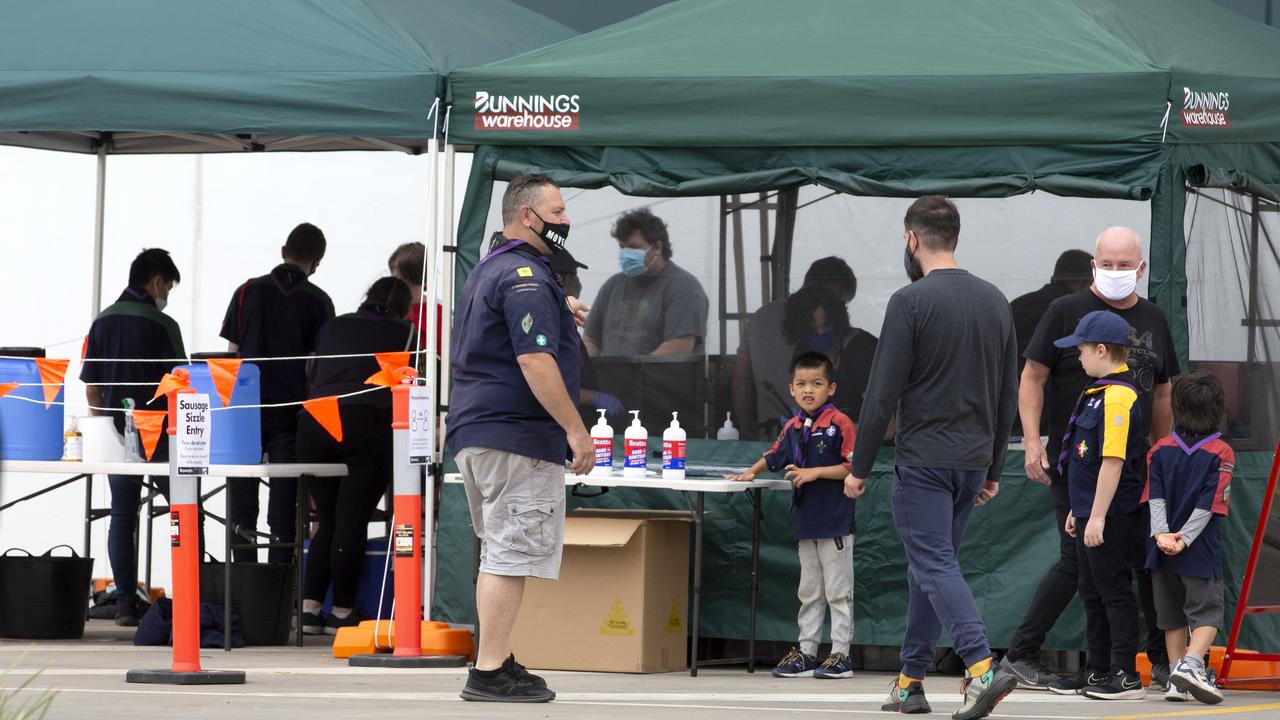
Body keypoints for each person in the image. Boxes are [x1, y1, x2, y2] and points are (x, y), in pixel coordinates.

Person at [843, 196, 1019, 720]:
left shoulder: (909, 301)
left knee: (935, 565)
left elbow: (881, 395)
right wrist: (992, 468)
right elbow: (1006, 392)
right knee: (930, 568)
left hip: (923, 460)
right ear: (955, 238)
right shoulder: (995, 301)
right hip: (970, 463)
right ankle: (909, 679)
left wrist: (858, 467)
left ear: (912, 240)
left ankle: (982, 668)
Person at [1002, 227, 1179, 692]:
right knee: (1079, 561)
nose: (1116, 272)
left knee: (1144, 561)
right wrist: (1034, 441)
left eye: (1126, 265)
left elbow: (1163, 392)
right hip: (1076, 463)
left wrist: (1162, 452)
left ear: (1141, 268)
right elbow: (1031, 377)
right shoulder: (1065, 310)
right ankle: (1024, 652)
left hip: (1135, 469)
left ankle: (1151, 661)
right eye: (1108, 263)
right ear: (1094, 265)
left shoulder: (1155, 317)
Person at [447, 174, 590, 703]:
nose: (565, 220)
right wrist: (576, 430)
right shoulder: (526, 274)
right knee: (511, 552)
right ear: (527, 216)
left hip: (480, 430)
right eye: (556, 211)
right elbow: (533, 358)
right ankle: (488, 671)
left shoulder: (492, 268)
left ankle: (498, 659)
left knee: (500, 550)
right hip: (517, 435)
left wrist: (561, 306)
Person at [726, 352, 857, 680]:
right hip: (806, 522)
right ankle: (807, 651)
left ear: (831, 388)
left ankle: (841, 653)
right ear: (791, 389)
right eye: (801, 384)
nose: (808, 390)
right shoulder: (794, 425)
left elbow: (853, 468)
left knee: (838, 590)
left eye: (817, 383)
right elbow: (774, 455)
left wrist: (814, 473)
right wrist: (749, 473)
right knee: (809, 589)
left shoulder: (840, 423)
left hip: (835, 522)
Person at [296, 277, 414, 635]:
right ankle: (343, 613)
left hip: (314, 422)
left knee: (327, 520)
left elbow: (313, 372)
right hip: (365, 421)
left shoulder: (333, 325)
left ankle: (310, 610)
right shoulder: (407, 334)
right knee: (351, 520)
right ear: (403, 309)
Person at [81, 248, 185, 627]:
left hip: (115, 434)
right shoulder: (163, 324)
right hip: (162, 435)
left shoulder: (101, 322)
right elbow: (181, 386)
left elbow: (92, 389)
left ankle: (126, 603)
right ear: (157, 282)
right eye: (168, 288)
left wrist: (105, 427)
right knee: (185, 513)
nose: (167, 296)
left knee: (122, 516)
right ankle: (191, 597)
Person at [220, 222, 333, 564]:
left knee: (241, 507)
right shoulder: (319, 302)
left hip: (244, 416)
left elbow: (230, 355)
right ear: (317, 262)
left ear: (284, 251)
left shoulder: (246, 292)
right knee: (284, 507)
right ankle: (279, 591)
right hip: (291, 415)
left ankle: (242, 587)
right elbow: (318, 367)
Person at [1053, 310, 1147, 701]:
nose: (1078, 357)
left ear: (1102, 350)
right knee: (1091, 591)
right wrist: (1079, 508)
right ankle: (1098, 669)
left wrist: (1097, 515)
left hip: (1111, 515)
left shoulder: (1120, 396)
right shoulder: (1098, 392)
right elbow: (1085, 460)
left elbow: (1112, 461)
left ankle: (1125, 674)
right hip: (1090, 510)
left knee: (1114, 591)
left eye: (1081, 350)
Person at [1144, 371, 1233, 705]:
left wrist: (1161, 535)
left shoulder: (1160, 450)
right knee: (1208, 613)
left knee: (1171, 617)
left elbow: (1155, 497)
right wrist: (1183, 540)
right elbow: (1210, 504)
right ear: (1218, 409)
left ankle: (1175, 676)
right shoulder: (1222, 452)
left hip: (1160, 550)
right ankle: (1192, 664)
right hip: (1198, 550)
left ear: (1177, 408)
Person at [732, 257, 865, 440]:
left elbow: (741, 380)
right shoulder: (820, 329)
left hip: (767, 436)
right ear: (835, 291)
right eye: (841, 303)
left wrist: (747, 432)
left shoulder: (760, 317)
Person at [583, 208, 709, 357]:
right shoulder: (612, 286)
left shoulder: (684, 288)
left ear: (657, 247)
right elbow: (591, 340)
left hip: (662, 380)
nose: (625, 254)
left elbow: (678, 348)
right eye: (622, 247)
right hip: (610, 379)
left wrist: (630, 376)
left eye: (634, 247)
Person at [1008, 249, 1094, 437]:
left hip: (1011, 413)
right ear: (1085, 282)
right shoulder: (1075, 312)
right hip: (1057, 420)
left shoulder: (1017, 306)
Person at [546, 248, 626, 428]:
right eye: (575, 275)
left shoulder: (562, 319)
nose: (578, 282)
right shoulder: (548, 323)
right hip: (559, 428)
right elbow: (548, 381)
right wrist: (593, 397)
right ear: (561, 279)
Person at [781, 285, 877, 423]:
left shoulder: (863, 348)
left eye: (826, 326)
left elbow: (884, 426)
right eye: (812, 329)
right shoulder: (803, 349)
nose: (820, 333)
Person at [387, 241, 443, 357]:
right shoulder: (387, 313)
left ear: (423, 279)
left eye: (407, 280)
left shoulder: (439, 315)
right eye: (395, 279)